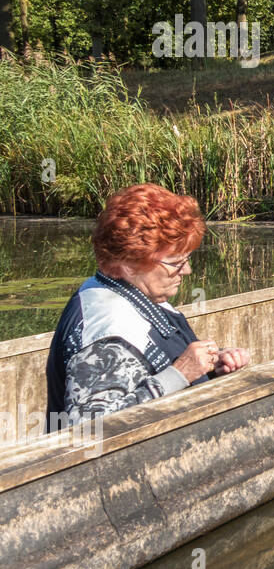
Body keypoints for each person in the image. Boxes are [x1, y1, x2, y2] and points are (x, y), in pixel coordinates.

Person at [45, 183, 250, 431]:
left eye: (187, 259)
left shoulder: (123, 290)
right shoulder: (107, 332)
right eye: (176, 262)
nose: (187, 270)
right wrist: (179, 374)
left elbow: (149, 369)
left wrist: (210, 366)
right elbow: (87, 428)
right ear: (130, 264)